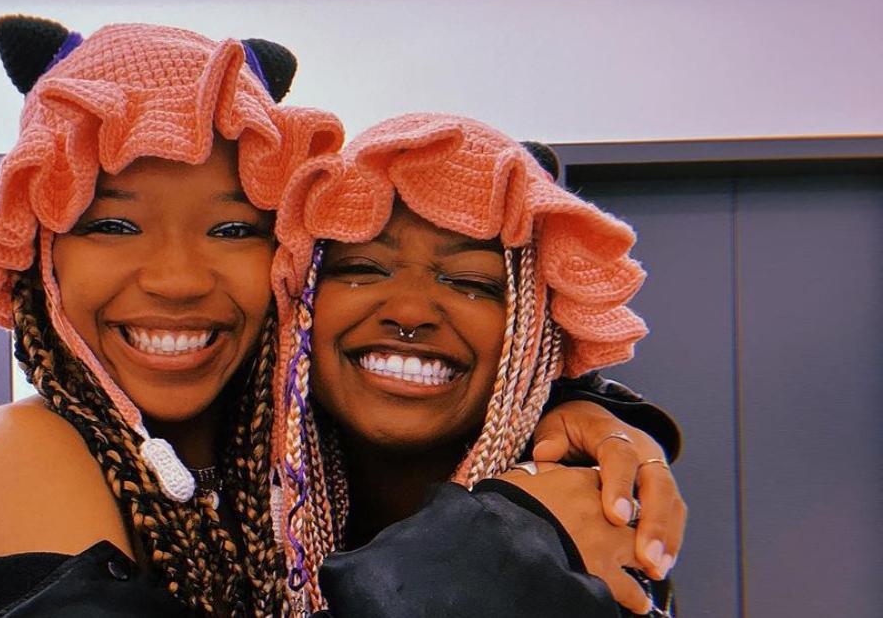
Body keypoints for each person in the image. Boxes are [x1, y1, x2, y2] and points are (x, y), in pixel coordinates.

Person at [0, 17, 682, 618]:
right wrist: (505, 538)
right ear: (40, 256)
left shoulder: (294, 469)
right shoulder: (12, 457)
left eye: (234, 229)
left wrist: (592, 417)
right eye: (112, 225)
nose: (175, 279)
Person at [271, 113, 685, 616]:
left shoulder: (584, 530)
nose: (409, 312)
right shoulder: (213, 491)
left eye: (471, 282)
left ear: (534, 334)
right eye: (361, 269)